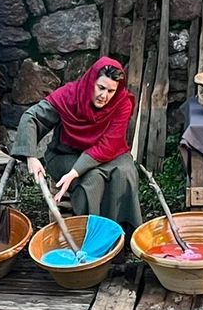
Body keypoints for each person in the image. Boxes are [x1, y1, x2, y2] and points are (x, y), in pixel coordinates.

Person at [11, 56, 144, 231]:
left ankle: (119, 237)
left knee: (125, 173)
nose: (104, 96)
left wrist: (74, 173)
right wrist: (30, 156)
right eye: (101, 87)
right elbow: (32, 117)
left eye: (111, 91)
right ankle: (90, 236)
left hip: (110, 153)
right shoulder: (69, 95)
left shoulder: (122, 102)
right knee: (92, 179)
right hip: (67, 153)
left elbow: (109, 144)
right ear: (91, 82)